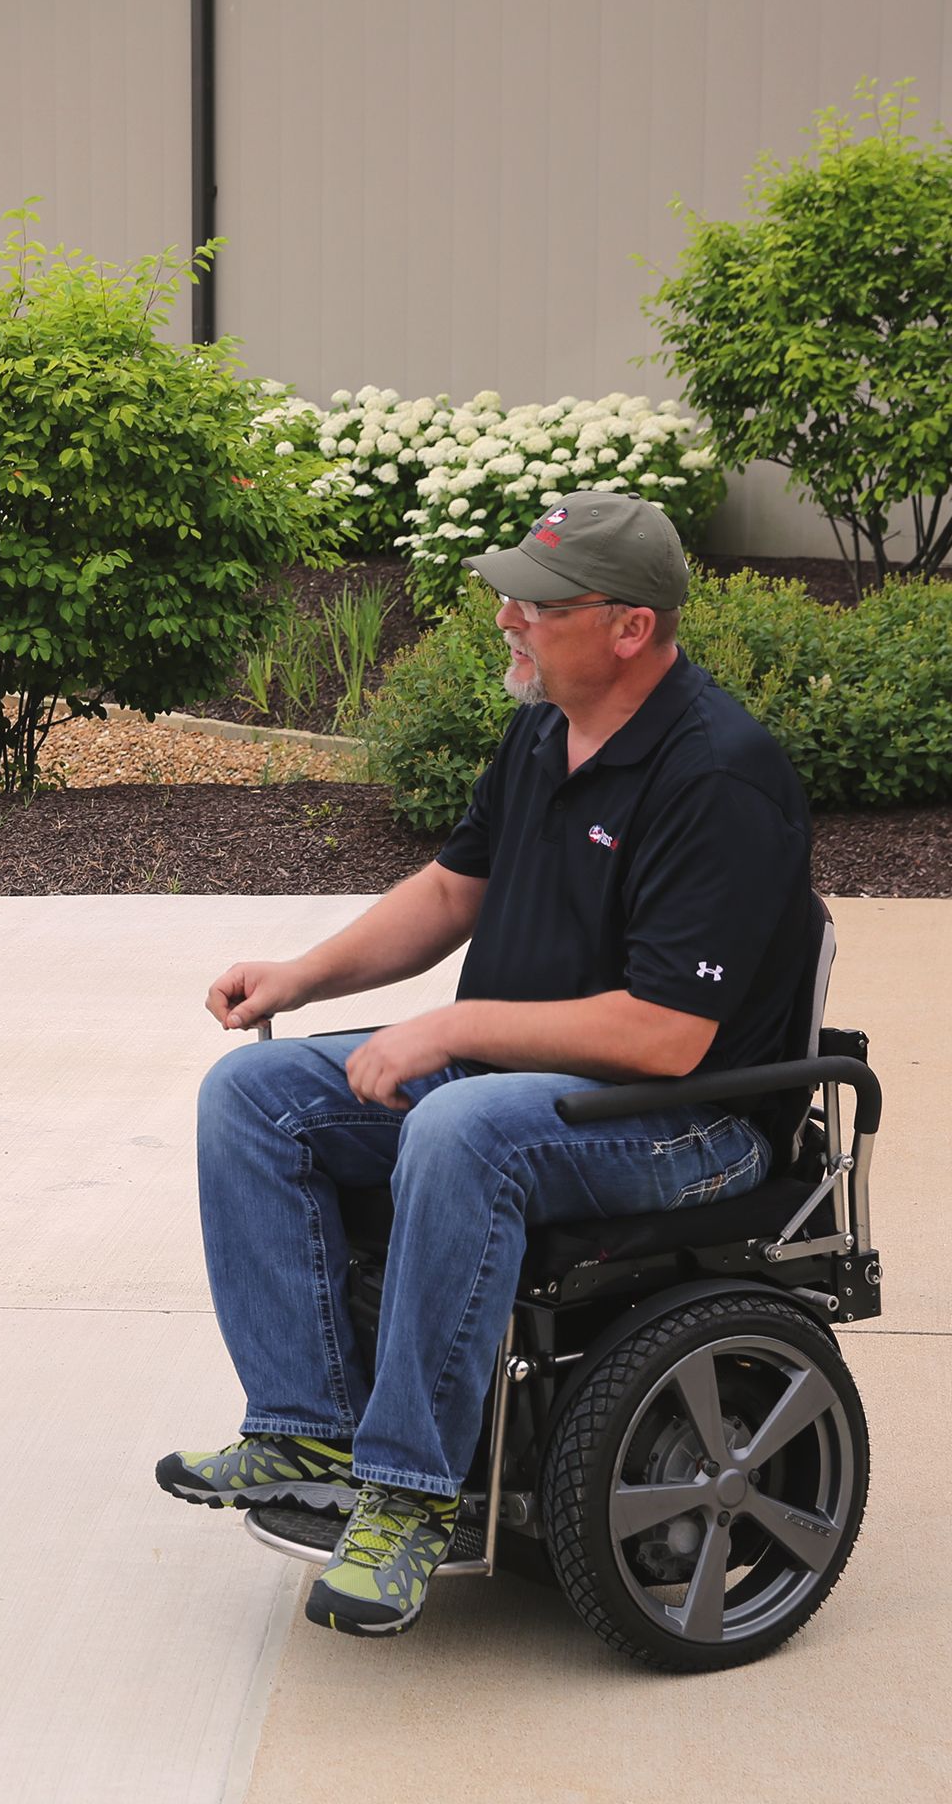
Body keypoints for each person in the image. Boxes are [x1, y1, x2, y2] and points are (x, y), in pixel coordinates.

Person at [156, 493, 816, 1638]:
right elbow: (454, 891)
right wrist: (301, 977)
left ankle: (412, 1495)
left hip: (689, 1119)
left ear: (629, 629)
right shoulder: (545, 730)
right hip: (548, 1094)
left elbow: (667, 1035)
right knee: (252, 1098)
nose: (507, 614)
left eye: (539, 601)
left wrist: (453, 1033)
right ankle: (308, 1425)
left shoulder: (716, 776)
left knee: (463, 1129)